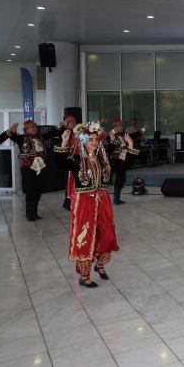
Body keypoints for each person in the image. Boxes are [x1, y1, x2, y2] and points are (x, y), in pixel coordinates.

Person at [55, 123, 138, 288]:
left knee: (108, 235)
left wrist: (130, 146)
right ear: (84, 141)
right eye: (91, 139)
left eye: (96, 140)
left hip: (102, 200)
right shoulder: (76, 160)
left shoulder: (103, 159)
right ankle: (84, 276)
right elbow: (59, 164)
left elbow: (124, 165)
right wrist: (64, 143)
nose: (94, 142)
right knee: (85, 237)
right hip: (84, 202)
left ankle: (99, 264)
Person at [10, 119, 66, 221]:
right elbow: (12, 137)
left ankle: (34, 212)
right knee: (30, 190)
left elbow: (50, 134)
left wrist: (58, 126)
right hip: (28, 168)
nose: (35, 129)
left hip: (40, 167)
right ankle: (29, 213)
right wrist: (13, 129)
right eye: (32, 127)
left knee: (38, 189)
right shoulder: (22, 138)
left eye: (35, 127)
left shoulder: (39, 137)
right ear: (27, 129)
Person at [107, 119, 148, 205]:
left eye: (122, 126)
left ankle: (116, 198)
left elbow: (134, 135)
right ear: (115, 127)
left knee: (121, 178)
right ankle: (116, 198)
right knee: (120, 178)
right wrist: (113, 133)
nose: (122, 127)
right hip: (116, 160)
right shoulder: (111, 135)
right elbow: (110, 147)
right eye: (119, 126)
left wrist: (143, 129)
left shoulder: (123, 135)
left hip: (123, 159)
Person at [60, 114, 78, 210]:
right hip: (66, 159)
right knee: (68, 181)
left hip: (74, 159)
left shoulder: (76, 133)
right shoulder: (64, 132)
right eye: (72, 123)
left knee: (73, 180)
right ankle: (67, 202)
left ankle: (70, 200)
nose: (74, 125)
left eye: (75, 123)